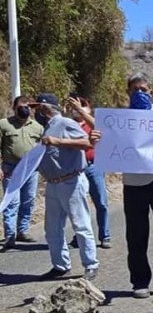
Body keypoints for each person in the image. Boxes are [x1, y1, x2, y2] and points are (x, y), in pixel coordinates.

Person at [90, 73, 153, 299]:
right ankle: (140, 282)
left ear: (151, 91)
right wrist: (96, 140)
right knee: (136, 235)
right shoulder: (117, 119)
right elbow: (104, 145)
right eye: (135, 90)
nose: (140, 93)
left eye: (143, 89)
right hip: (133, 184)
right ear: (128, 92)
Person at [31, 93, 99, 281]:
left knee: (80, 224)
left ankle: (91, 265)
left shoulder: (65, 124)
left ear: (46, 108)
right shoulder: (47, 128)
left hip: (71, 182)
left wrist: (58, 141)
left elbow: (87, 143)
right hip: (53, 185)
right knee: (52, 228)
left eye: (38, 108)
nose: (35, 112)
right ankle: (60, 266)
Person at [65, 95, 111, 248]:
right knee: (79, 206)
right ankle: (80, 238)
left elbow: (103, 129)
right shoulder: (68, 125)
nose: (78, 109)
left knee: (102, 203)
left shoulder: (92, 124)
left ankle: (105, 236)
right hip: (75, 168)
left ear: (89, 109)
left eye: (83, 105)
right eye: (74, 107)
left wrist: (82, 112)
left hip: (94, 167)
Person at [0, 95, 44, 250]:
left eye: (27, 107)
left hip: (31, 170)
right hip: (10, 169)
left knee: (28, 200)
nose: (25, 109)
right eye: (21, 107)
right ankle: (10, 236)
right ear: (14, 108)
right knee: (12, 202)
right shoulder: (4, 125)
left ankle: (22, 231)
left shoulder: (38, 127)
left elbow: (43, 148)